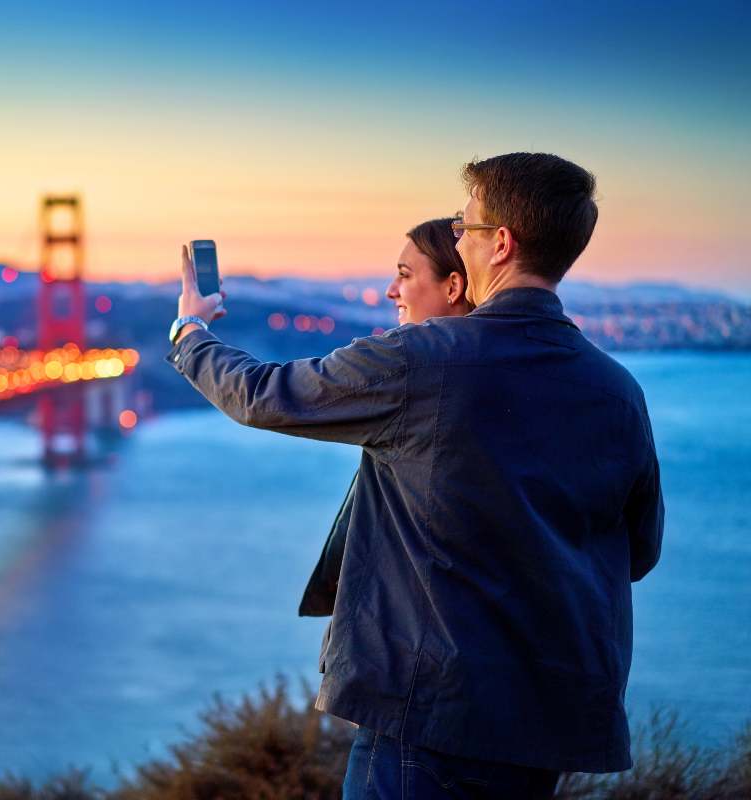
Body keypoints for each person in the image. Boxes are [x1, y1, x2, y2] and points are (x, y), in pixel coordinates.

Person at [165, 152, 664, 800]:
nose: (459, 239)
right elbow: (638, 552)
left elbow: (264, 394)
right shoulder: (618, 392)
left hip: (432, 716)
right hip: (545, 725)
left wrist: (190, 332)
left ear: (502, 244)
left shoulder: (425, 361)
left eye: (465, 227)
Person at [299, 217, 471, 636]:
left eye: (404, 275)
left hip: (404, 660)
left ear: (453, 287)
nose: (391, 291)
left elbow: (262, 395)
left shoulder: (413, 370)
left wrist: (190, 332)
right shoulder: (586, 381)